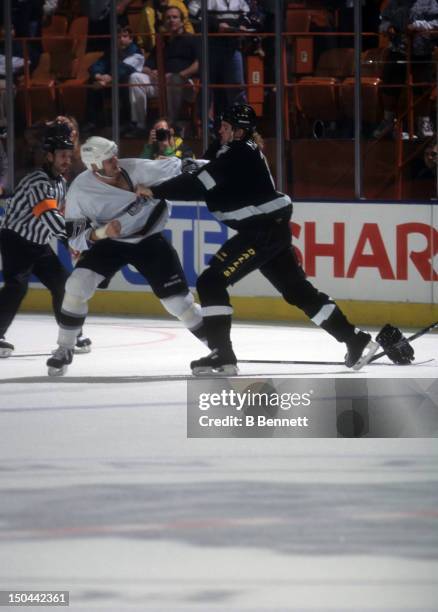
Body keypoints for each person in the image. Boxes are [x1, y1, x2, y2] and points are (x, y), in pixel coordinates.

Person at [144, 104, 379, 375]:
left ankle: (222, 354)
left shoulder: (240, 153)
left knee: (211, 281)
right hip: (267, 230)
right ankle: (356, 340)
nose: (219, 129)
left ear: (239, 131)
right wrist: (169, 161)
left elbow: (198, 184)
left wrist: (153, 190)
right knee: (298, 291)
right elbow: (197, 170)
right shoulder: (226, 150)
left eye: (225, 126)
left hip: (262, 232)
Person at [46, 136, 205, 376]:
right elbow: (76, 238)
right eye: (109, 160)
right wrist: (102, 232)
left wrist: (227, 165)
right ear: (95, 167)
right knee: (76, 285)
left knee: (179, 304)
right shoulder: (80, 190)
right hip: (111, 243)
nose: (116, 162)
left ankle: (219, 348)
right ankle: (64, 348)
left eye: (115, 156)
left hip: (149, 241)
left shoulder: (138, 168)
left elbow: (185, 165)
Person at [0, 121, 91, 358]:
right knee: (16, 287)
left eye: (69, 156)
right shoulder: (39, 183)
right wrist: (88, 232)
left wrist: (73, 240)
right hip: (16, 240)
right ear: (49, 156)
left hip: (38, 242)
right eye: (62, 155)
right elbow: (55, 223)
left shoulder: (60, 183)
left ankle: (71, 334)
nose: (67, 160)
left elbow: (59, 221)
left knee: (63, 284)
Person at [128, 5, 199, 133]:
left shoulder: (191, 39)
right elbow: (145, 66)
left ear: (182, 21)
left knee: (173, 79)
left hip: (183, 83)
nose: (171, 20)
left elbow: (199, 63)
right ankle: (139, 125)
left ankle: (170, 125)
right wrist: (152, 72)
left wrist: (180, 75)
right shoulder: (162, 41)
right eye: (168, 18)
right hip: (160, 82)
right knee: (135, 77)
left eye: (175, 17)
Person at [373, 0, 438, 139]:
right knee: (389, 84)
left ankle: (423, 123)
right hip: (397, 50)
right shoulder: (394, 2)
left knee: (423, 88)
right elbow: (383, 21)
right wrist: (388, 27)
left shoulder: (432, 2)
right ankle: (388, 120)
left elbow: (436, 24)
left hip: (422, 52)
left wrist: (417, 26)